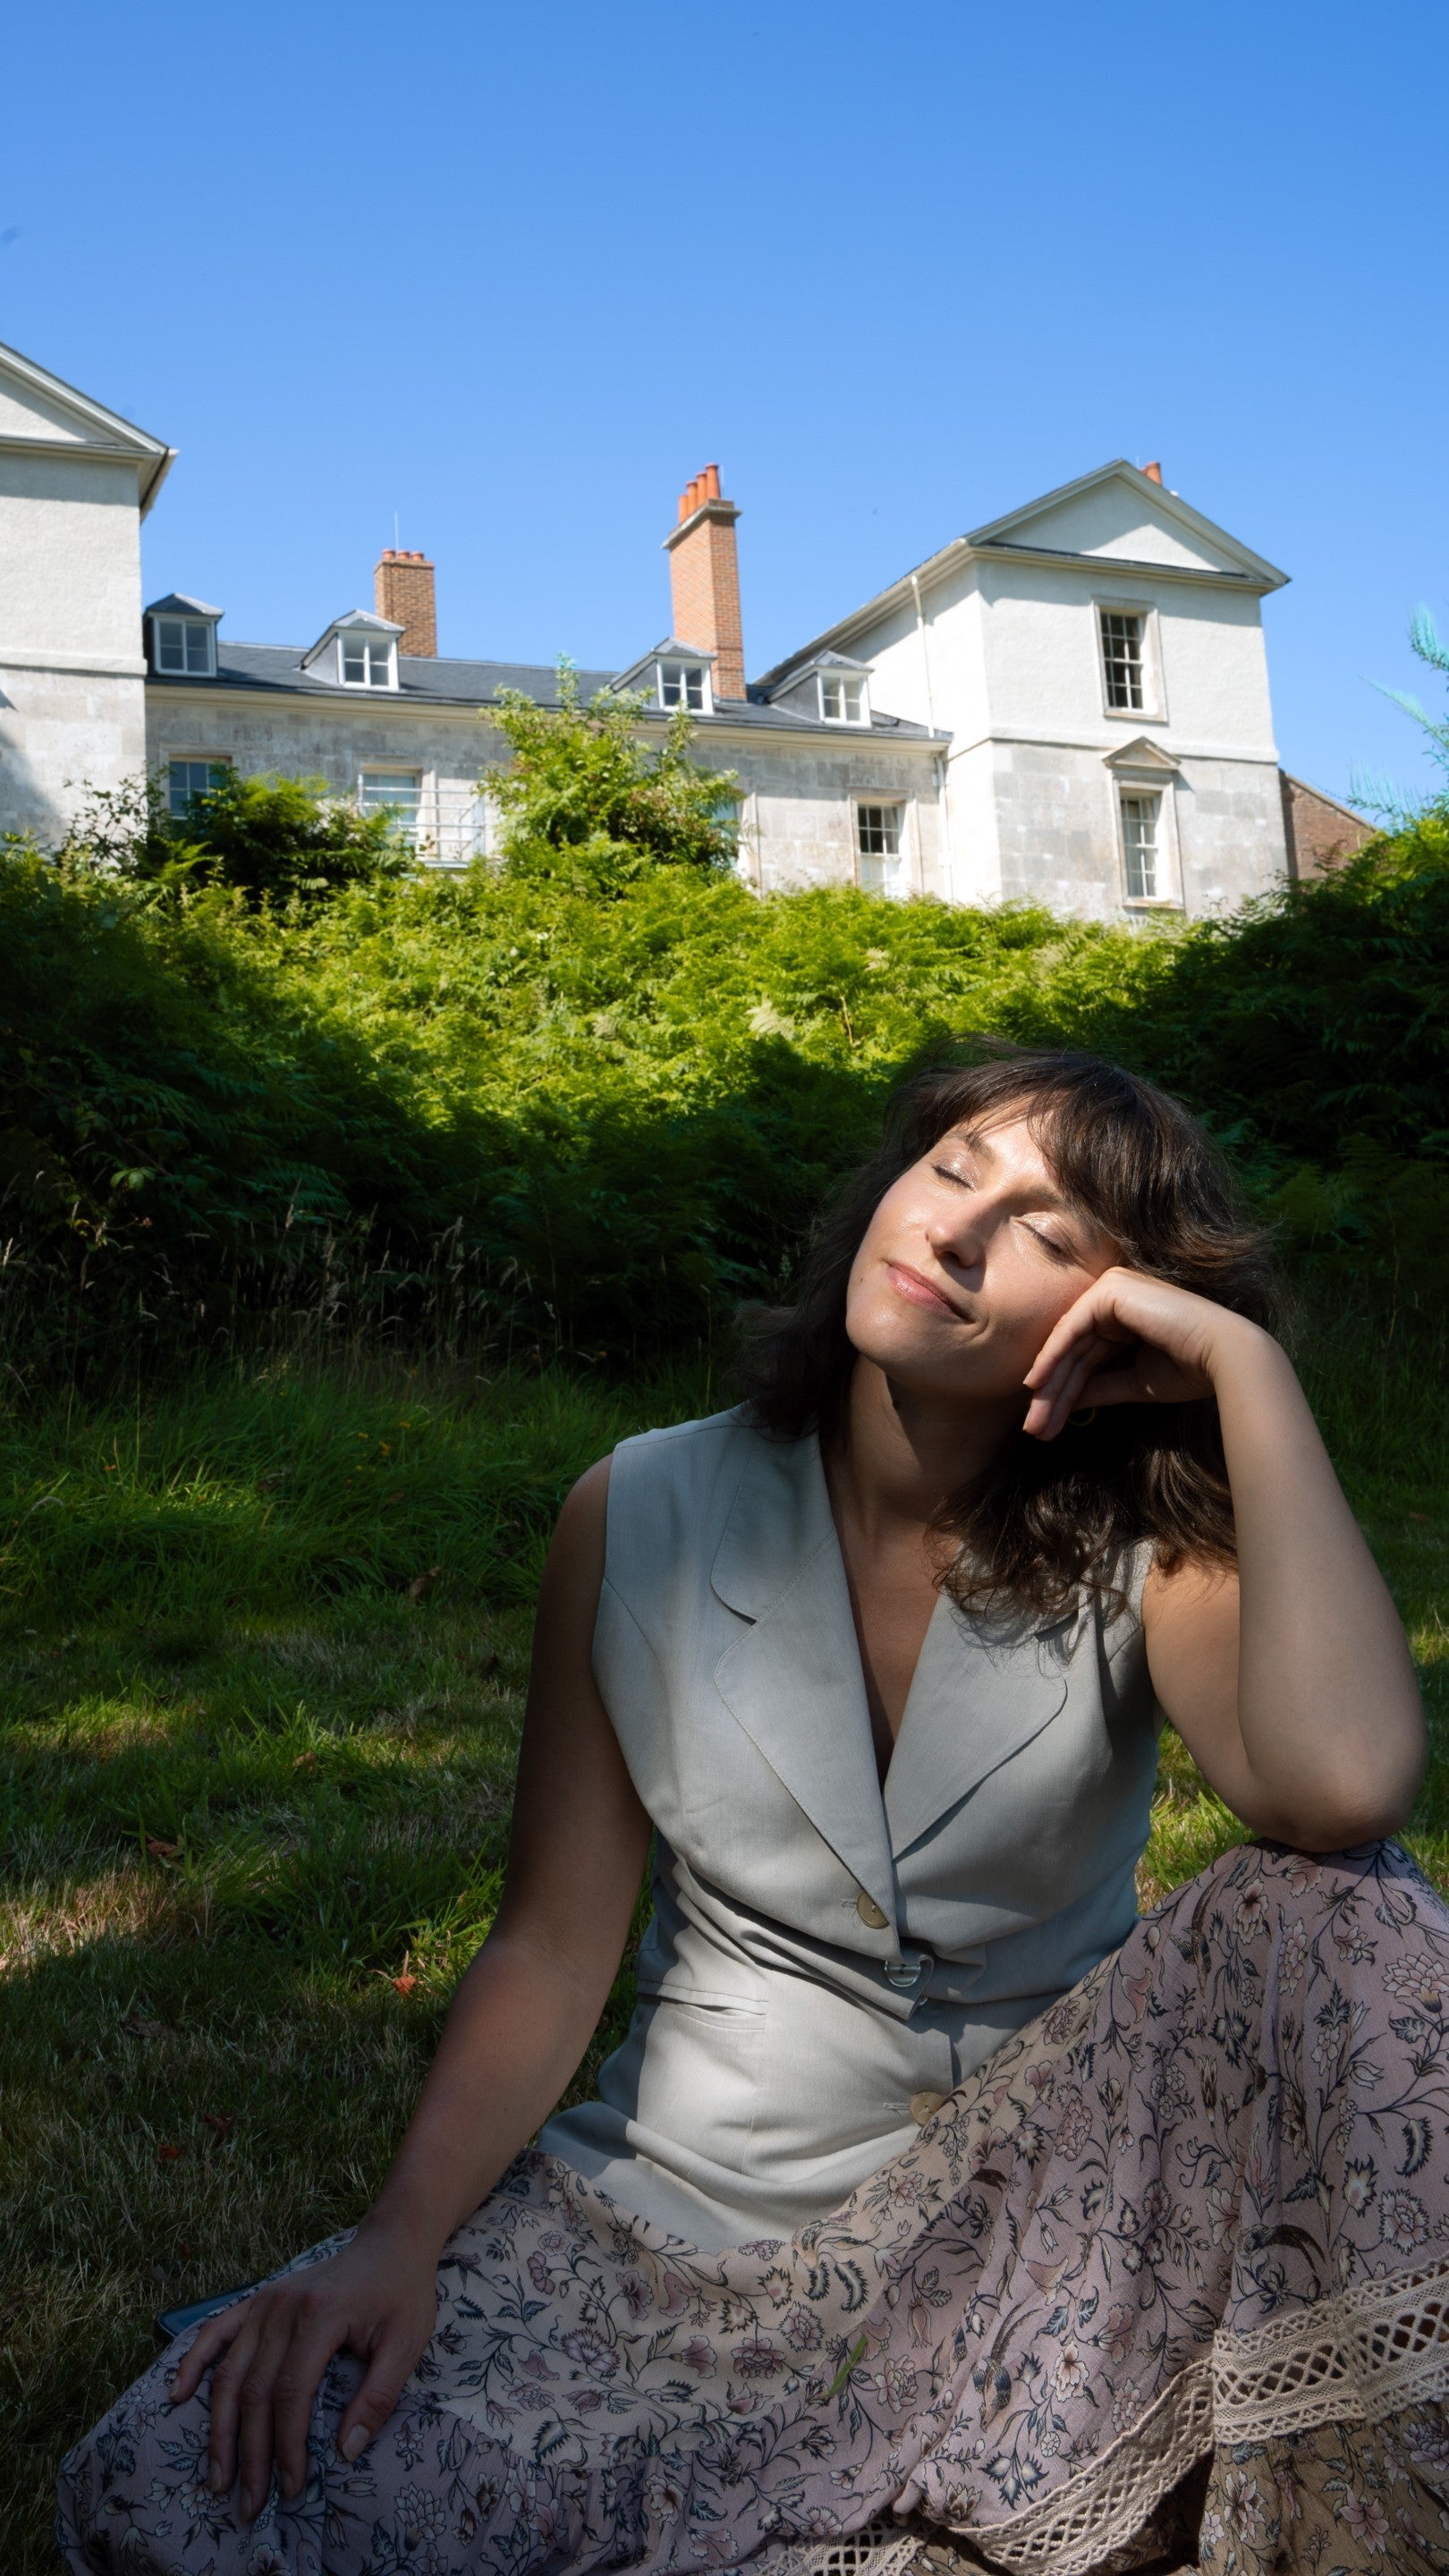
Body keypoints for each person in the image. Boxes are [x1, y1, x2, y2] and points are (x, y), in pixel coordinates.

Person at [60, 1046, 1449, 2576]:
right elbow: (551, 1945)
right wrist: (401, 2236)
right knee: (175, 2477)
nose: (958, 1232)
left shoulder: (1144, 1548)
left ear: (1115, 1324)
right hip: (682, 2223)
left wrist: (1250, 1377)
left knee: (1345, 1910)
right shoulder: (638, 1510)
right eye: (951, 1171)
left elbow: (1345, 1787)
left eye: (1047, 1235)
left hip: (1038, 2230)